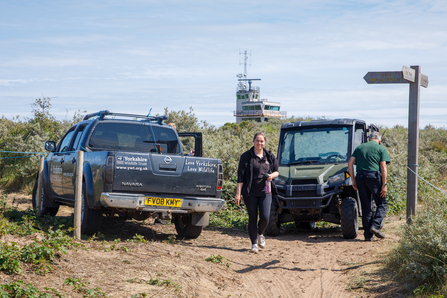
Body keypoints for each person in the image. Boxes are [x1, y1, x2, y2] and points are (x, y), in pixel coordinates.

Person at [235, 132, 279, 253]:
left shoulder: (269, 156)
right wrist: (238, 194)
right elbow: (241, 177)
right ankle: (254, 244)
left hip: (266, 191)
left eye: (261, 141)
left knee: (265, 217)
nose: (259, 143)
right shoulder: (246, 156)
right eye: (257, 141)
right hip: (250, 193)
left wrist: (270, 176)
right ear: (253, 141)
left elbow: (277, 172)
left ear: (265, 142)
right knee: (252, 218)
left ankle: (260, 234)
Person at [348, 131, 390, 241]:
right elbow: (383, 166)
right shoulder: (381, 148)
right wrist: (384, 184)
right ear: (379, 140)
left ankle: (368, 236)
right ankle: (375, 226)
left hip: (360, 177)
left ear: (369, 138)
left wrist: (353, 179)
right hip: (373, 177)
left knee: (366, 207)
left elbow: (350, 162)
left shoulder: (359, 148)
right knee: (382, 203)